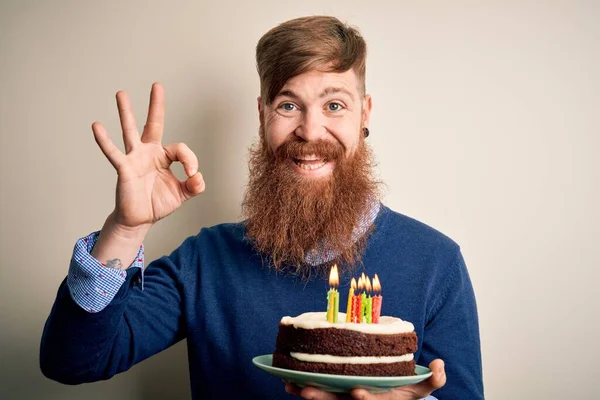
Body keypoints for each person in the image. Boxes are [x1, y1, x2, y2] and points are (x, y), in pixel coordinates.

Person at [40, 16, 484, 399]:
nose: (310, 132)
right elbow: (72, 362)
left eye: (334, 105)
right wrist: (125, 228)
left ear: (364, 114)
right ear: (262, 115)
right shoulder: (205, 261)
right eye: (288, 105)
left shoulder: (435, 263)